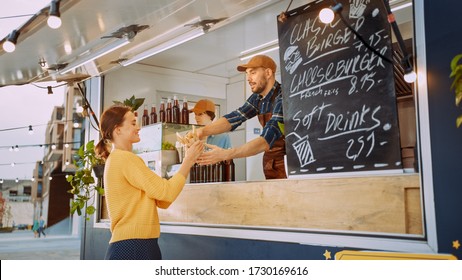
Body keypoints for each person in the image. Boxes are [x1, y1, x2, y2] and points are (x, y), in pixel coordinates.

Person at [95, 105, 203, 260]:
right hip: (134, 246)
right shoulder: (125, 159)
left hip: (134, 244)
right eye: (133, 123)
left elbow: (163, 199)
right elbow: (166, 192)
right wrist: (188, 160)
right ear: (117, 129)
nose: (138, 127)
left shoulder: (119, 158)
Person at [194, 55, 286, 179]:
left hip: (288, 165)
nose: (248, 79)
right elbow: (235, 117)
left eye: (253, 73)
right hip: (270, 163)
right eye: (247, 74)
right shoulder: (258, 98)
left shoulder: (283, 97)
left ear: (268, 73)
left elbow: (266, 140)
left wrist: (226, 154)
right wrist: (202, 131)